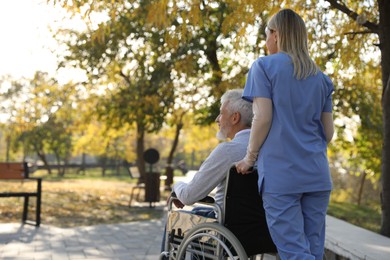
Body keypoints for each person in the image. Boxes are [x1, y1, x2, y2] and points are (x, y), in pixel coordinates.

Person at [235, 9, 334, 260]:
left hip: (282, 176)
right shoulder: (322, 79)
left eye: (267, 34)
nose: (266, 40)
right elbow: (328, 132)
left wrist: (249, 158)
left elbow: (263, 118)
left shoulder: (264, 67)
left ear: (276, 35)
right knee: (312, 251)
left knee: (293, 253)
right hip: (317, 174)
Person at [168, 88, 253, 217]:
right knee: (198, 212)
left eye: (221, 113)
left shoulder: (228, 151)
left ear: (235, 117)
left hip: (228, 226)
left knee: (174, 220)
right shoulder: (270, 149)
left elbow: (188, 196)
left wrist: (176, 186)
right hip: (261, 228)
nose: (217, 119)